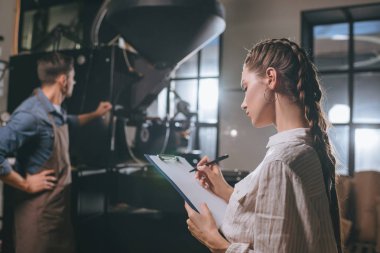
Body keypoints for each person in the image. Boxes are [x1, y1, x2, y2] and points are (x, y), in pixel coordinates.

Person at [184, 38, 342, 253]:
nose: (243, 102)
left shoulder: (281, 162)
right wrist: (222, 189)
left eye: (245, 87)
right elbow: (276, 218)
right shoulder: (304, 151)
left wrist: (215, 241)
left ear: (270, 78)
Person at [0, 52, 112, 253]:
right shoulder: (31, 114)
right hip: (37, 218)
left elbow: (70, 122)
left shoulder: (55, 110)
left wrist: (96, 114)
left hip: (58, 216)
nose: (75, 82)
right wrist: (25, 184)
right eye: (73, 77)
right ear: (63, 80)